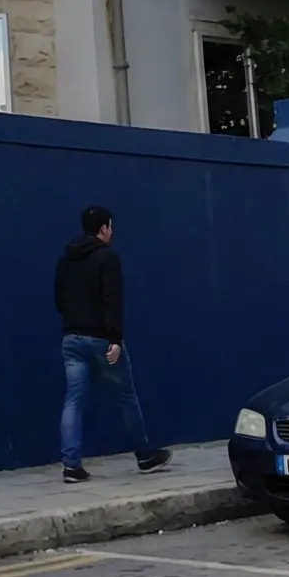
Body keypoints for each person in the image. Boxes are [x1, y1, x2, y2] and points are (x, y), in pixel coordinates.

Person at [54, 206, 170, 482]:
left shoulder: (65, 259)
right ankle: (144, 455)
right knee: (125, 397)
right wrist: (115, 339)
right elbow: (112, 300)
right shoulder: (108, 257)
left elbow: (59, 300)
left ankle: (71, 466)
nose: (112, 232)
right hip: (102, 340)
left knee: (73, 401)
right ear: (103, 228)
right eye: (110, 226)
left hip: (71, 339)